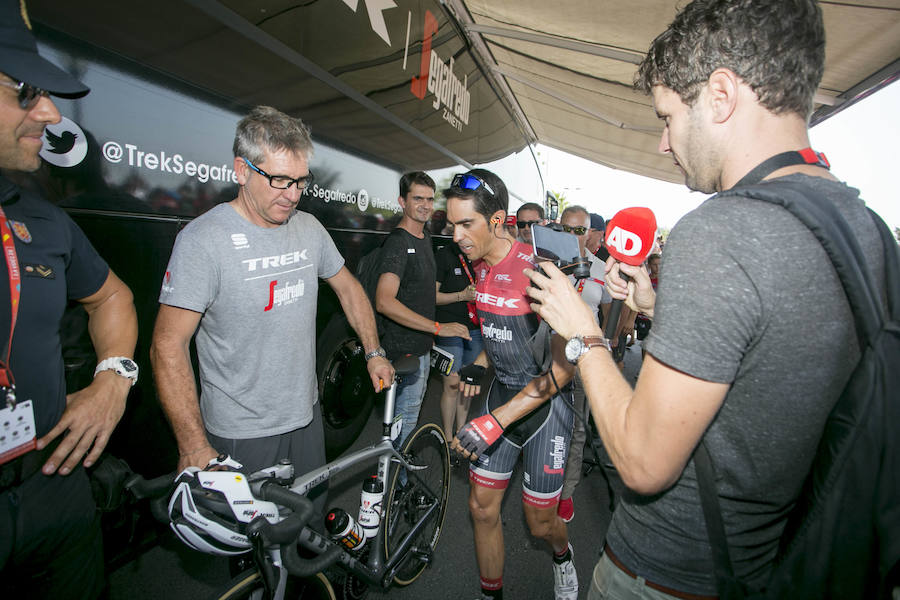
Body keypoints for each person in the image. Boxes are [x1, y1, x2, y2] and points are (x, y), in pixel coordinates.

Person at [524, 0, 887, 598]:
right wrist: (654, 308)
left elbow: (642, 462)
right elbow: (769, 355)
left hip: (666, 574)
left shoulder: (722, 232)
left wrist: (582, 331)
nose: (664, 143)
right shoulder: (862, 226)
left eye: (668, 117)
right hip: (775, 564)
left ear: (720, 95)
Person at [151, 107, 393, 515]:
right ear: (241, 171)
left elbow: (350, 289)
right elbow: (167, 344)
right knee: (254, 541)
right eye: (279, 180)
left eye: (300, 181)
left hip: (307, 418)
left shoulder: (309, 228)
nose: (293, 195)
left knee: (308, 524)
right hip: (242, 433)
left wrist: (373, 352)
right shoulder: (203, 241)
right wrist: (192, 445)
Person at [0, 2, 138, 596]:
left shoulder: (44, 219)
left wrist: (114, 378)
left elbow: (112, 297)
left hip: (51, 486)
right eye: (25, 92)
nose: (51, 113)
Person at [445, 169, 578, 600]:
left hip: (545, 409)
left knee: (540, 523)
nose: (456, 236)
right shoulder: (478, 265)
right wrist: (480, 363)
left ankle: (563, 554)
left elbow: (563, 370)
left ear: (497, 220)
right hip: (501, 394)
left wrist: (495, 421)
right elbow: (503, 330)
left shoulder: (539, 272)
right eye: (452, 224)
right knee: (481, 509)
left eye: (466, 224)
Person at [374, 172, 468, 448]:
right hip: (403, 350)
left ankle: (397, 467)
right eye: (418, 199)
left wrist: (431, 335)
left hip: (422, 346)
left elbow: (421, 296)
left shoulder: (424, 237)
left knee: (407, 418)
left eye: (429, 199)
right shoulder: (399, 242)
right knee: (405, 418)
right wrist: (437, 328)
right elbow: (384, 301)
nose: (426, 205)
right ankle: (395, 472)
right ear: (402, 202)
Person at [556, 206, 612, 524]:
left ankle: (566, 492)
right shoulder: (547, 262)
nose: (573, 235)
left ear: (589, 232)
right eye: (567, 229)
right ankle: (543, 482)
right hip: (552, 353)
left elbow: (609, 308)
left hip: (586, 357)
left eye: (580, 230)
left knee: (577, 429)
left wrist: (609, 344)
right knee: (546, 422)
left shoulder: (601, 268)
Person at [433, 241, 483, 448]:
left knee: (466, 382)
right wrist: (462, 296)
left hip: (475, 328)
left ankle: (460, 433)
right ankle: (446, 437)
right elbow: (432, 297)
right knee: (452, 382)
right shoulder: (445, 255)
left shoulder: (481, 255)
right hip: (448, 327)